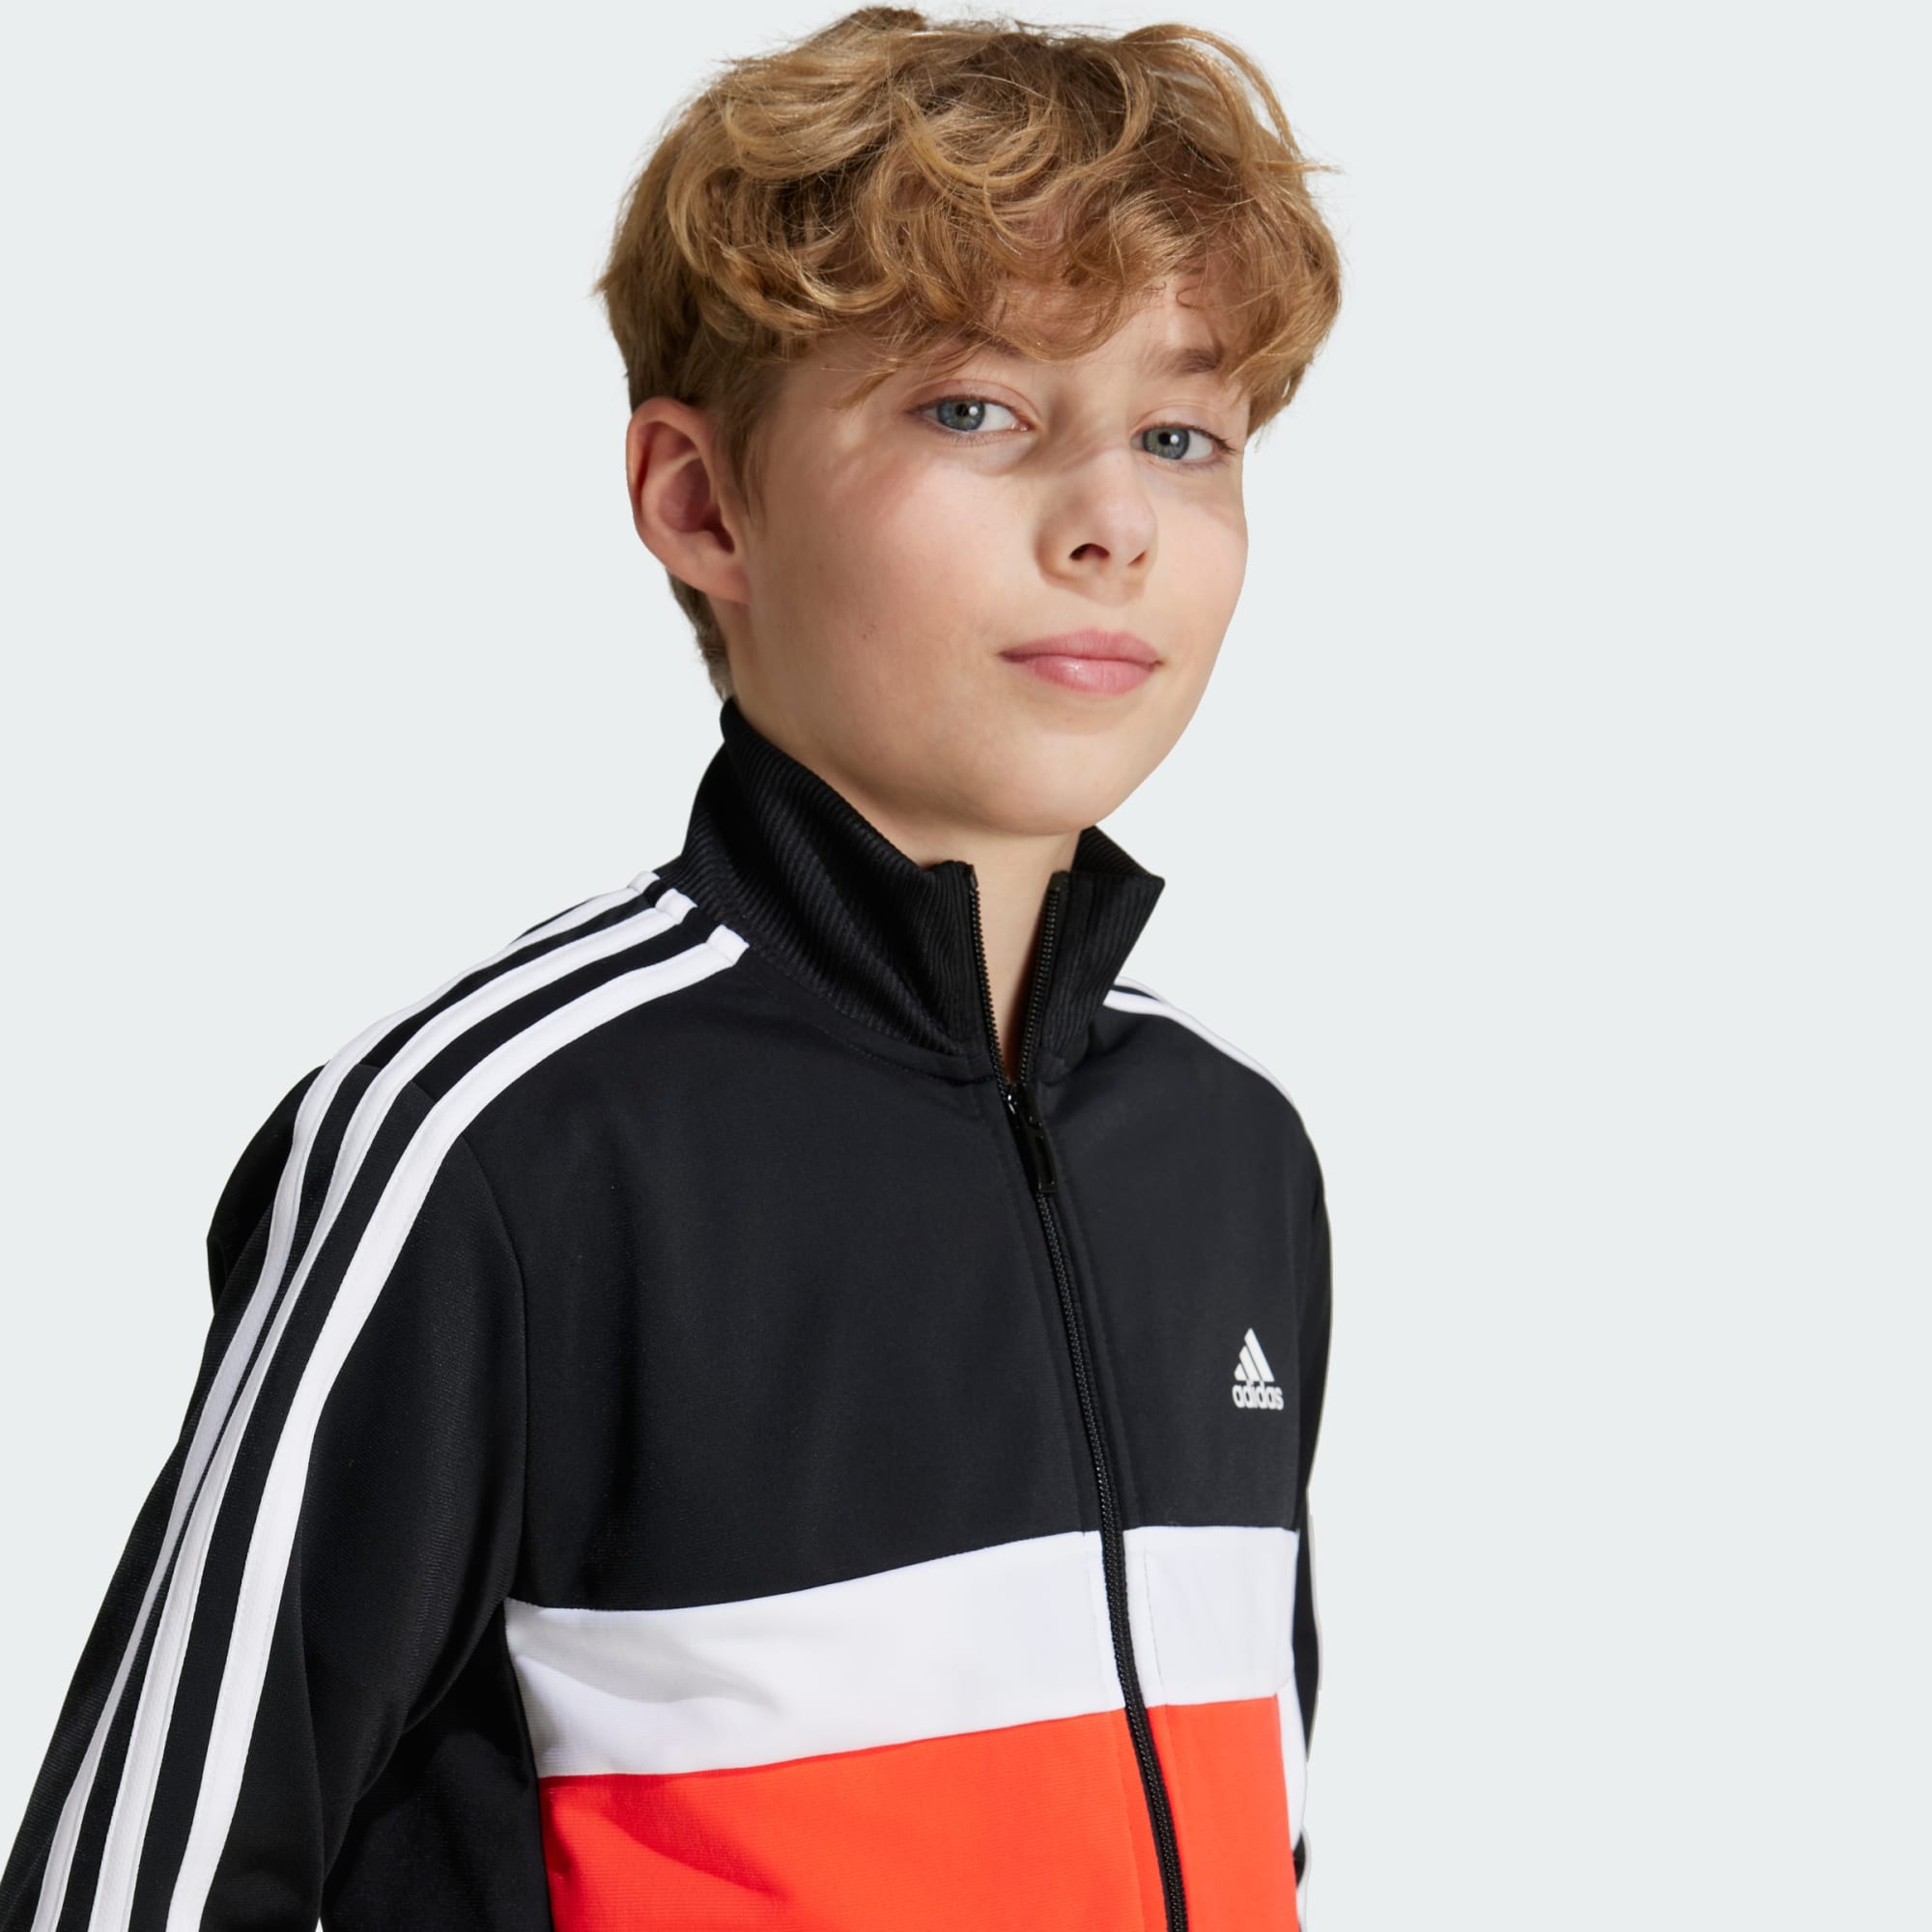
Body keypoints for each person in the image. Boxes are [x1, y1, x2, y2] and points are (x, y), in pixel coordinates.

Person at [0, 9, 1342, 1928]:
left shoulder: (1230, 1158)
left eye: (1181, 433)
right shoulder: (496, 1145)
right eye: (974, 411)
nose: (1113, 522)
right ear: (702, 502)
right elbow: (142, 1881)